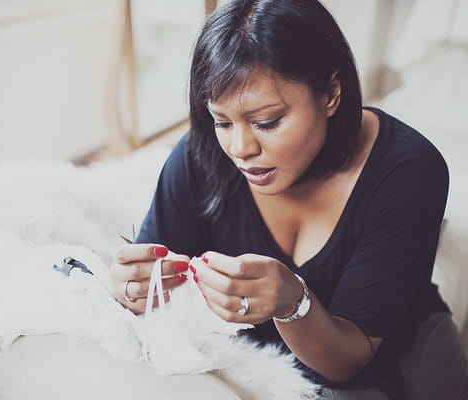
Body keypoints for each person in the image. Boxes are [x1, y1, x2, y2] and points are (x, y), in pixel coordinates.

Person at [110, 0, 468, 398]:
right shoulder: (201, 155)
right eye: (222, 121)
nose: (241, 147)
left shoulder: (410, 172)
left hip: (381, 350)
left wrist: (292, 301)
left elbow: (348, 361)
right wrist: (133, 289)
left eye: (267, 122)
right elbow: (156, 289)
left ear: (331, 93)